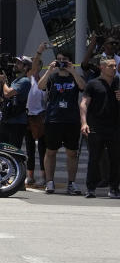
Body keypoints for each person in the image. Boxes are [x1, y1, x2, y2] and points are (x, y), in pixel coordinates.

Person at [38, 50, 86, 195]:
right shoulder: (52, 77)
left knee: (72, 152)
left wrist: (73, 71)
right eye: (59, 60)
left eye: (64, 60)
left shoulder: (75, 77)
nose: (61, 62)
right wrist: (49, 71)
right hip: (53, 119)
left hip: (71, 119)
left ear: (70, 61)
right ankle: (49, 182)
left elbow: (83, 87)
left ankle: (71, 183)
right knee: (51, 151)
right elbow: (40, 86)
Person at [80, 56, 120, 198]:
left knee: (115, 158)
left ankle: (114, 188)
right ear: (102, 67)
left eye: (115, 66)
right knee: (94, 157)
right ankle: (90, 188)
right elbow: (84, 103)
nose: (114, 68)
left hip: (115, 126)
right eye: (111, 66)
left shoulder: (118, 82)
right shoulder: (93, 84)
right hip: (96, 126)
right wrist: (84, 123)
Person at [0, 56, 32, 153]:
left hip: (17, 122)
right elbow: (0, 96)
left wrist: (4, 82)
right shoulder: (15, 81)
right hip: (7, 119)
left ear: (25, 67)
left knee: (13, 152)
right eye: (15, 62)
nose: (15, 65)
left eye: (19, 63)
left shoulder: (24, 81)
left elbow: (8, 93)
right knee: (2, 151)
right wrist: (1, 81)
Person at [25, 43, 48, 187]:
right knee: (29, 149)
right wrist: (38, 52)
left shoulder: (45, 81)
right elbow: (32, 68)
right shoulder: (31, 79)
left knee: (43, 149)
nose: (34, 66)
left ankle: (44, 177)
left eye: (37, 63)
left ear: (41, 67)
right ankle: (30, 176)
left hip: (41, 117)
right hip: (29, 117)